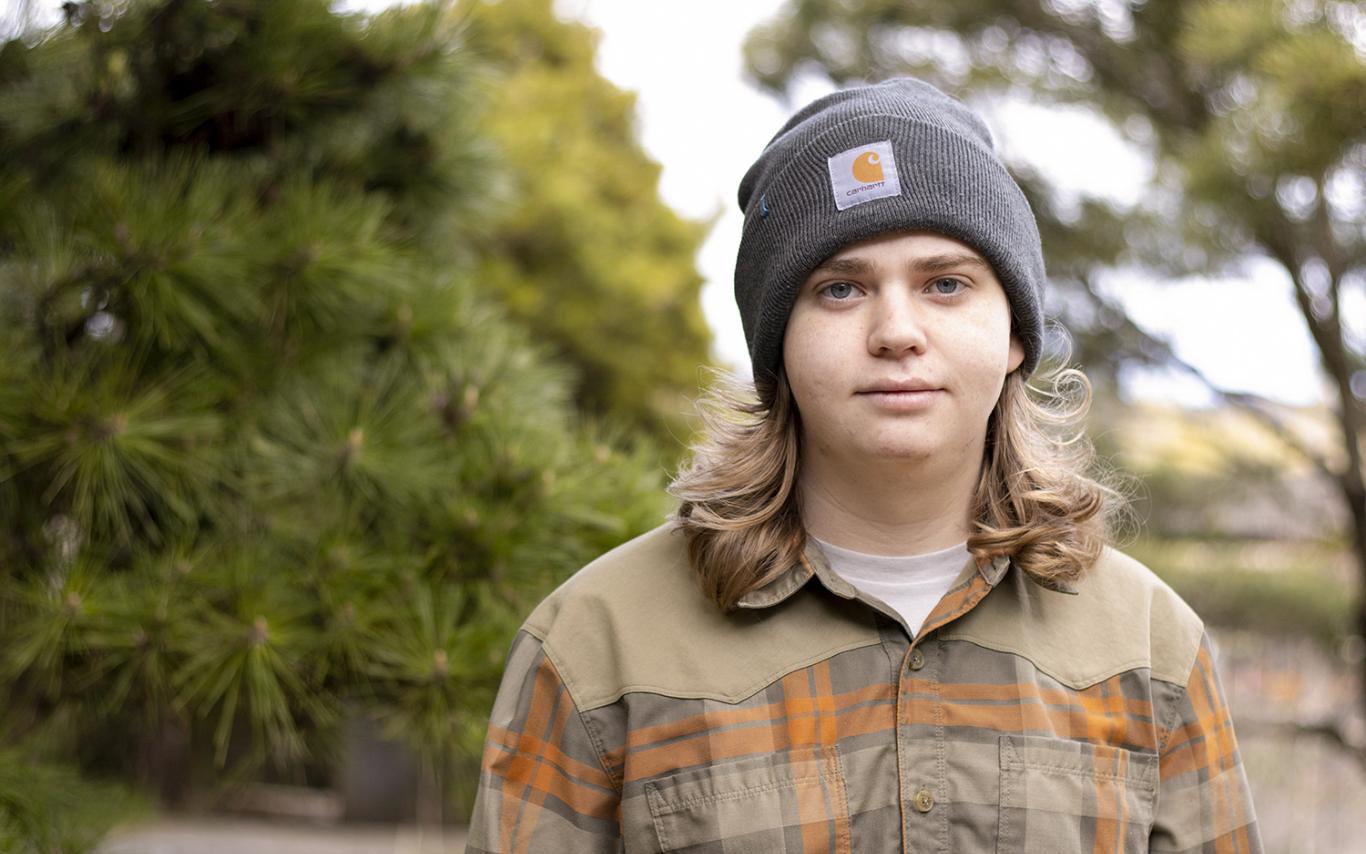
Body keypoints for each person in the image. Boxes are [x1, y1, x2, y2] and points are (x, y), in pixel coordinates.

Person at [464, 76, 1262, 853]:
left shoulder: (1150, 647)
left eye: (946, 284)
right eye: (841, 290)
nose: (897, 331)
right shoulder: (597, 647)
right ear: (777, 341)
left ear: (1015, 332)